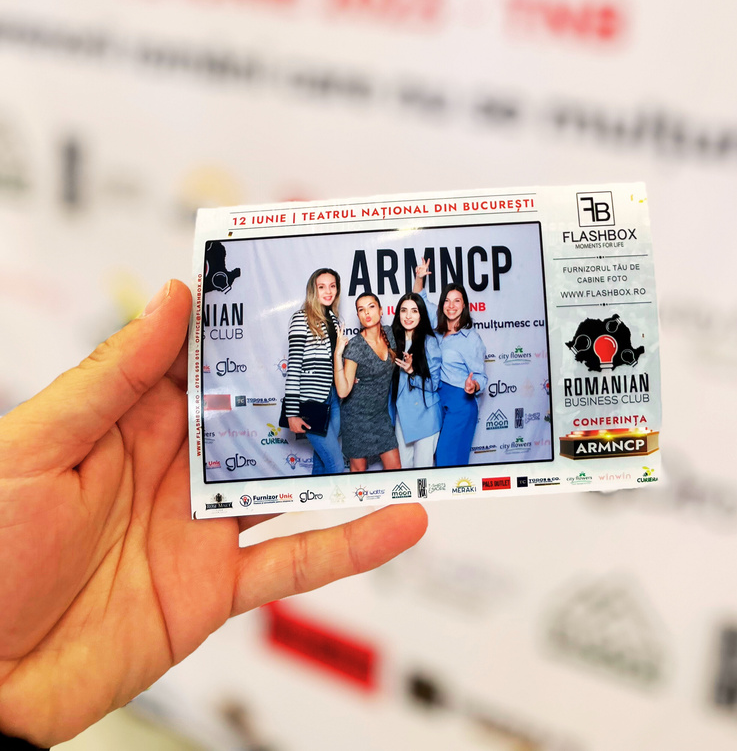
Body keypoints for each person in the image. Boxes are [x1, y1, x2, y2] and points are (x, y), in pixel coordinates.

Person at [0, 280, 426, 748]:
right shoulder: (313, 331)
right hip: (314, 415)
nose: (337, 297)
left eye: (338, 290)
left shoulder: (361, 334)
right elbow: (311, 375)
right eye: (327, 289)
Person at [413, 263, 488, 467]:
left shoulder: (471, 339)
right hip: (438, 400)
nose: (451, 305)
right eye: (447, 300)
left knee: (447, 459)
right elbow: (419, 300)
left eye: (457, 301)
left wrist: (474, 386)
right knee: (441, 460)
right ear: (442, 304)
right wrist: (420, 277)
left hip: (461, 402)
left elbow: (481, 377)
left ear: (464, 306)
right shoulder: (437, 328)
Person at [284, 268, 345, 475]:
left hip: (334, 399)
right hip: (311, 402)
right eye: (322, 287)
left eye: (332, 286)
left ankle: (316, 497)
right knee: (336, 465)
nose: (328, 291)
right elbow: (294, 367)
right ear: (313, 290)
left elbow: (334, 360)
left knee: (322, 462)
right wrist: (292, 413)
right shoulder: (301, 319)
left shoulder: (334, 320)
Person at [334, 293, 402, 472]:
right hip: (356, 418)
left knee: (395, 468)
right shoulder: (355, 346)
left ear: (381, 310)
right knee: (359, 473)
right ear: (358, 316)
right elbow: (343, 391)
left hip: (380, 416)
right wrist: (338, 355)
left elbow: (414, 314)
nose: (367, 312)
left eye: (371, 306)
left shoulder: (389, 334)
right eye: (361, 309)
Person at [389, 292, 442, 468]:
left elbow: (434, 384)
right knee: (403, 472)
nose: (408, 316)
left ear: (421, 314)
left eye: (414, 311)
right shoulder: (392, 341)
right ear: (398, 314)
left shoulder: (429, 342)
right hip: (402, 418)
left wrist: (412, 371)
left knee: (422, 473)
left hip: (426, 416)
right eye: (404, 310)